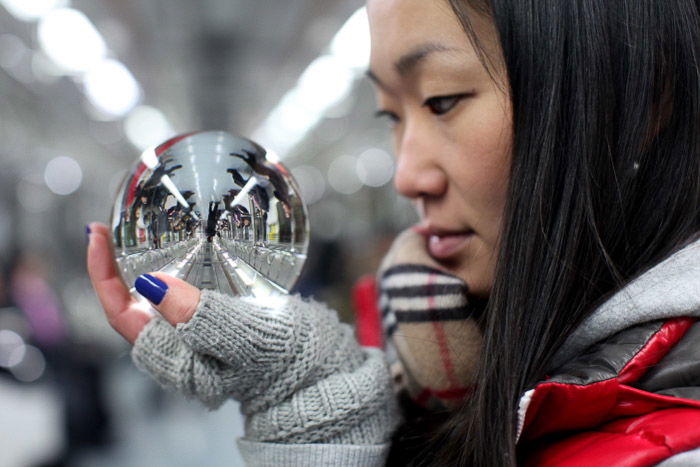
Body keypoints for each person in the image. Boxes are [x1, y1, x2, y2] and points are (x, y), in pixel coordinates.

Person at [87, 0, 700, 465]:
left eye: (441, 100)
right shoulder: (432, 364)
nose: (405, 175)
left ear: (644, 95)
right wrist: (319, 412)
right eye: (390, 114)